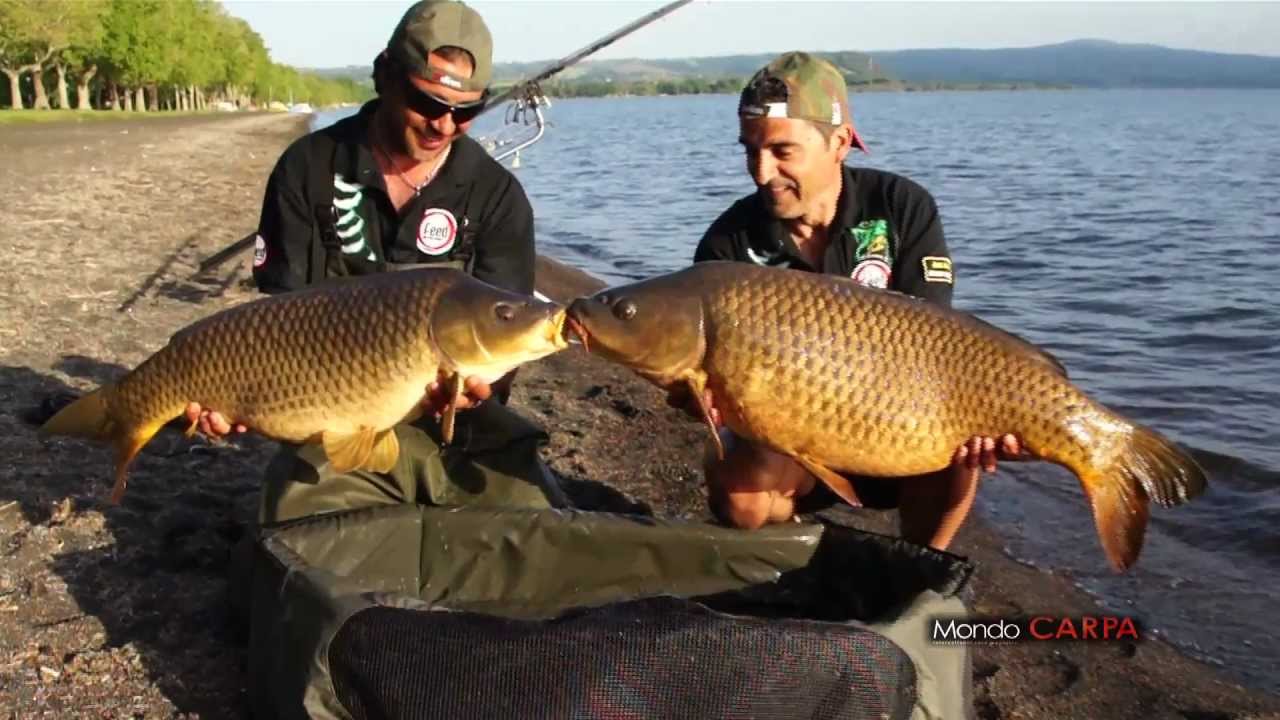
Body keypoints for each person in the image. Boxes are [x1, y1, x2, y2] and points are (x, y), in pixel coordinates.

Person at [186, 0, 566, 528]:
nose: (443, 125)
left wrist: (483, 390)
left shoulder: (497, 197)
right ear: (384, 75)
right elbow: (274, 320)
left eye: (465, 111)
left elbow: (508, 340)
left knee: (534, 524)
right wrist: (233, 397)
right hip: (331, 413)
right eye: (426, 101)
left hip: (456, 421)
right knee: (301, 523)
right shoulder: (308, 167)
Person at [675, 51, 1022, 551]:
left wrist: (989, 422)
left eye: (782, 151)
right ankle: (781, 563)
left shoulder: (902, 206)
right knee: (742, 490)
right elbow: (703, 395)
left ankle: (923, 568)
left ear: (839, 142)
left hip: (898, 428)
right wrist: (701, 401)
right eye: (749, 150)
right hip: (790, 441)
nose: (760, 171)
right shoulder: (728, 245)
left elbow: (937, 342)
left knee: (958, 451)